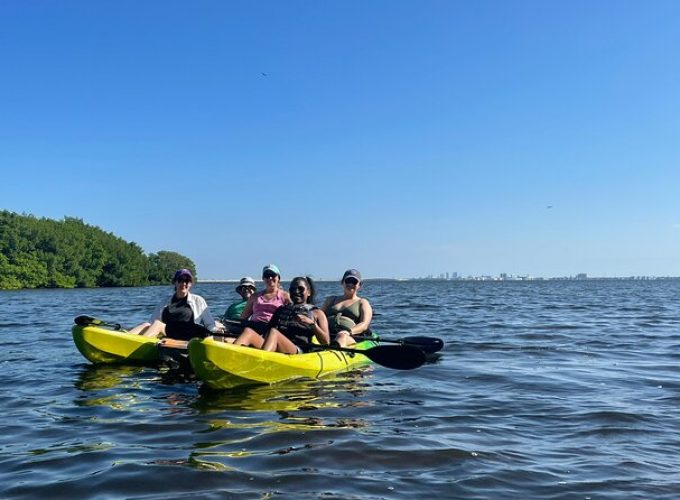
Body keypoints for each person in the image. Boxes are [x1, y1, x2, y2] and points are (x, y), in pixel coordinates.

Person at [128, 269, 224, 341]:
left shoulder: (198, 300)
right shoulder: (164, 302)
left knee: (157, 324)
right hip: (169, 333)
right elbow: (151, 323)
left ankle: (138, 345)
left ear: (190, 284)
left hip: (189, 336)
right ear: (175, 282)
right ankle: (124, 339)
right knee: (146, 324)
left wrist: (217, 331)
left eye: (187, 281)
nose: (184, 283)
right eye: (181, 280)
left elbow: (209, 324)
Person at [260, 276, 330, 353]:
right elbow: (266, 332)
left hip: (298, 350)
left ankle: (260, 362)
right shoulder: (281, 309)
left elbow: (326, 342)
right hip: (275, 345)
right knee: (248, 332)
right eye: (293, 289)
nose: (296, 291)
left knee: (273, 333)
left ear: (309, 292)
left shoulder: (317, 313)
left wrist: (312, 325)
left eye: (300, 289)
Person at [234, 264, 291, 346]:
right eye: (267, 276)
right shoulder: (255, 297)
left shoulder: (285, 296)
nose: (270, 278)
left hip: (272, 333)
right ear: (263, 278)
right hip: (255, 328)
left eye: (273, 275)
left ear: (278, 278)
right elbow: (243, 318)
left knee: (248, 332)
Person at [321, 269, 373, 347]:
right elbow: (318, 315)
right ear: (342, 282)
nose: (351, 284)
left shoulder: (363, 302)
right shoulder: (330, 300)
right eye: (348, 281)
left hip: (350, 337)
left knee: (342, 337)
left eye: (354, 282)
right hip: (328, 335)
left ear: (359, 285)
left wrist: (348, 332)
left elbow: (364, 324)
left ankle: (335, 348)